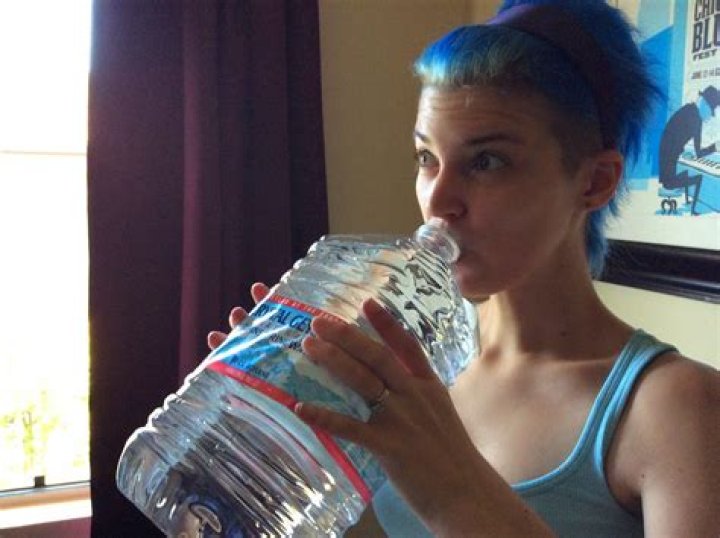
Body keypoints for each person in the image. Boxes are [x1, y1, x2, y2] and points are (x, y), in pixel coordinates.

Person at [208, 0, 720, 536]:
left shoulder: (677, 407)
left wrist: (453, 493)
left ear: (594, 182)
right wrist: (280, 437)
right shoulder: (411, 358)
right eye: (426, 158)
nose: (438, 199)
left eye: (486, 161)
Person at [658, 84, 719, 215]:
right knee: (700, 178)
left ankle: (687, 200)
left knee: (687, 173)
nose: (710, 116)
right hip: (668, 178)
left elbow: (673, 136)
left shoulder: (688, 110)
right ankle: (694, 211)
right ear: (705, 104)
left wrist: (681, 151)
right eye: (711, 111)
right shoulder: (696, 121)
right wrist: (714, 147)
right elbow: (699, 153)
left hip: (665, 168)